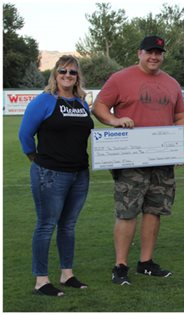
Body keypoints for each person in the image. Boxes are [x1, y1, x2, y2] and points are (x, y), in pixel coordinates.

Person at [93, 35, 184, 285]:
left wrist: (178, 145)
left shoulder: (171, 83)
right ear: (139, 53)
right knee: (127, 211)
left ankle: (145, 262)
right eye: (149, 52)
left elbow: (180, 116)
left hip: (162, 158)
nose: (154, 56)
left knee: (154, 210)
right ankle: (120, 265)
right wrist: (114, 120)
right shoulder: (120, 78)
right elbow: (100, 106)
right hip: (130, 157)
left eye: (159, 52)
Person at [18, 55, 94, 296]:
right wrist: (38, 161)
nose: (67, 76)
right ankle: (41, 280)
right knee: (46, 225)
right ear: (55, 74)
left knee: (68, 226)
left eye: (72, 72)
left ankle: (66, 274)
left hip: (79, 174)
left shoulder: (81, 103)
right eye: (63, 71)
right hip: (50, 173)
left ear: (77, 76)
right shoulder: (44, 101)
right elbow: (25, 136)